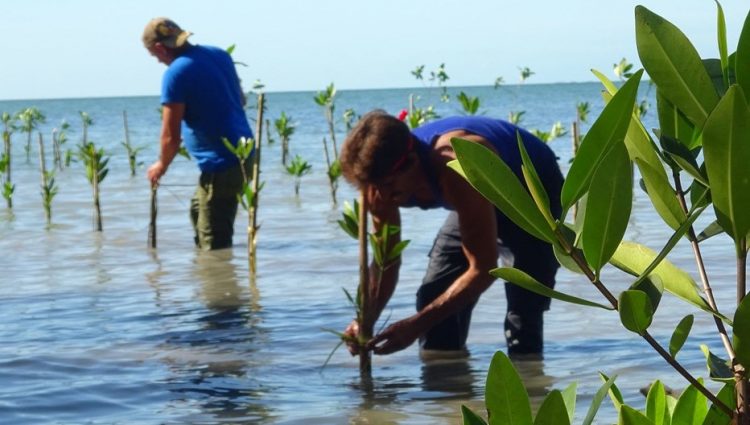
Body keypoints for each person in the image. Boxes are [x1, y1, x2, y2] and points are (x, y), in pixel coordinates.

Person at [340, 111, 564, 359]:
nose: (380, 198)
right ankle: (447, 391)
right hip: (474, 197)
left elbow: (483, 269)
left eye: (388, 188)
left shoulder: (456, 167)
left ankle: (531, 387)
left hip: (532, 193)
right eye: (373, 188)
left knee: (523, 312)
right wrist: (364, 319)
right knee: (434, 296)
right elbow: (386, 262)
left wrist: (416, 325)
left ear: (413, 162)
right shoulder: (378, 187)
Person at [142, 17, 253, 250]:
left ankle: (218, 284)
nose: (158, 61)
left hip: (222, 164)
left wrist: (161, 165)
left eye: (154, 56)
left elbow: (171, 137)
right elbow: (240, 100)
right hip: (245, 153)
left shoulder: (176, 73)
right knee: (197, 210)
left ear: (160, 48)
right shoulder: (219, 54)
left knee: (214, 242)